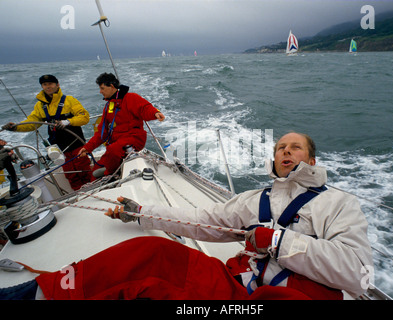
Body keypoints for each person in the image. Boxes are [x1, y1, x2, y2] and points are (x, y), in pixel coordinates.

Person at [0, 132, 373, 300]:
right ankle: (37, 294)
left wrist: (278, 241)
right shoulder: (253, 200)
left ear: (312, 160)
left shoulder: (339, 204)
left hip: (297, 299)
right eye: (279, 147)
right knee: (152, 255)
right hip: (236, 291)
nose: (285, 151)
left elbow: (358, 276)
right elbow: (200, 217)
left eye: (295, 147)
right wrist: (141, 213)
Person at [1, 75, 91, 190]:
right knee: (70, 173)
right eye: (45, 84)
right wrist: (15, 127)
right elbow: (32, 123)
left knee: (83, 168)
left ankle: (93, 189)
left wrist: (68, 121)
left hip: (76, 142)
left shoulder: (69, 100)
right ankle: (80, 192)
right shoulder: (40, 106)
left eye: (50, 84)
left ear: (57, 85)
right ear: (42, 87)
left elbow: (84, 117)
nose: (48, 86)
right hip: (59, 147)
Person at [77, 73, 165, 178]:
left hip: (134, 137)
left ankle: (110, 176)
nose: (100, 91)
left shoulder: (131, 97)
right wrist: (88, 148)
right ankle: (100, 183)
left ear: (112, 86)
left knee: (113, 150)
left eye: (102, 88)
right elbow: (102, 132)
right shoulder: (108, 106)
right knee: (96, 168)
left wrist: (155, 113)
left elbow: (144, 108)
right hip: (117, 141)